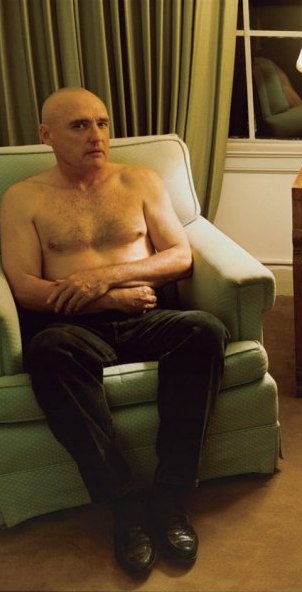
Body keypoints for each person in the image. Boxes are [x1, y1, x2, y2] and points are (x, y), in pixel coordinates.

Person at [0, 88, 230, 578]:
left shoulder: (140, 181)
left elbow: (180, 257)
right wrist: (107, 300)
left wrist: (106, 277)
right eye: (79, 125)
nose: (96, 135)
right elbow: (25, 288)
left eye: (102, 123)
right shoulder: (23, 198)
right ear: (47, 135)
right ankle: (124, 505)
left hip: (147, 315)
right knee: (48, 352)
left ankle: (170, 497)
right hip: (72, 327)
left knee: (204, 331)